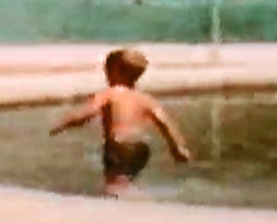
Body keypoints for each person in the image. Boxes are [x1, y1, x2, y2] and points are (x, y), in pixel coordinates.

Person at [49, 48, 191, 197]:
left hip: (118, 145)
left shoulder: (110, 94)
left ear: (116, 72)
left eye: (107, 72)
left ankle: (120, 201)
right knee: (126, 179)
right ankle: (130, 196)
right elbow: (164, 122)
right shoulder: (146, 99)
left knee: (113, 183)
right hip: (140, 147)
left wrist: (61, 124)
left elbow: (86, 113)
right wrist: (177, 147)